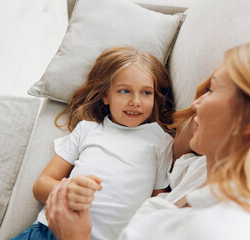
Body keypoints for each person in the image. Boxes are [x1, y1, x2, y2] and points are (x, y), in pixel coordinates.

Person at [44, 41, 250, 240]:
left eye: (212, 90)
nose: (197, 102)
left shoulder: (222, 231)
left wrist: (75, 237)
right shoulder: (205, 168)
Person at [11, 46, 175, 240]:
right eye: (124, 91)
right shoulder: (87, 129)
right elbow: (40, 186)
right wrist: (65, 191)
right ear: (106, 96)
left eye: (146, 93)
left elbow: (158, 202)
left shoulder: (160, 139)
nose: (136, 101)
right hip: (49, 231)